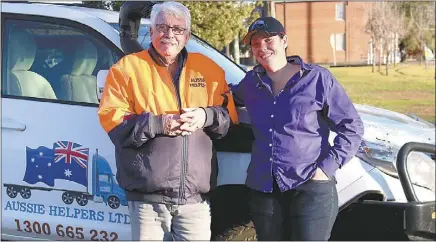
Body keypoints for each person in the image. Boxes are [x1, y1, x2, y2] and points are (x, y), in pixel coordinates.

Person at [97, 2, 238, 240]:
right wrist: (159, 124)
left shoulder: (208, 69)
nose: (169, 34)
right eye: (161, 27)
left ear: (187, 35)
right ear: (150, 32)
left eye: (177, 29)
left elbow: (228, 117)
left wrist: (205, 116)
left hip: (195, 198)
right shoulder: (127, 69)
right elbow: (114, 123)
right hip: (147, 198)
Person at [231, 17, 364, 241]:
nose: (262, 47)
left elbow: (352, 126)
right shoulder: (251, 82)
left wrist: (326, 168)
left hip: (310, 189)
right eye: (255, 43)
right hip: (264, 189)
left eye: (268, 40)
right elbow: (225, 98)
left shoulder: (316, 79)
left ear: (284, 41)